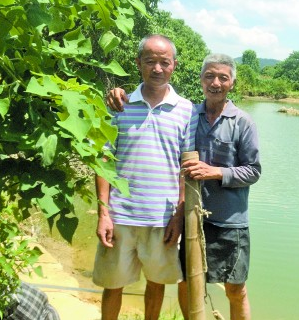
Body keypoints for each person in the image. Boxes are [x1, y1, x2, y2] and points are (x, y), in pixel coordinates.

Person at [107, 53, 262, 320]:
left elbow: (253, 171)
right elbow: (154, 99)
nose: (215, 83)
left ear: (232, 84)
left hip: (229, 220)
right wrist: (119, 93)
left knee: (235, 289)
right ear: (201, 80)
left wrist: (215, 172)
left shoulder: (243, 122)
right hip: (191, 218)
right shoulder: (189, 113)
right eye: (209, 76)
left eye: (223, 78)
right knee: (187, 283)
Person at [93, 34, 197, 320]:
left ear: (174, 65)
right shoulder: (119, 105)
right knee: (113, 285)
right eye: (150, 61)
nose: (157, 68)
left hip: (162, 218)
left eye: (164, 62)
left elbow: (187, 167)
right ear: (138, 63)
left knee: (157, 284)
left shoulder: (187, 110)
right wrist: (103, 212)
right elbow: (103, 159)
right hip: (120, 215)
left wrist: (178, 213)